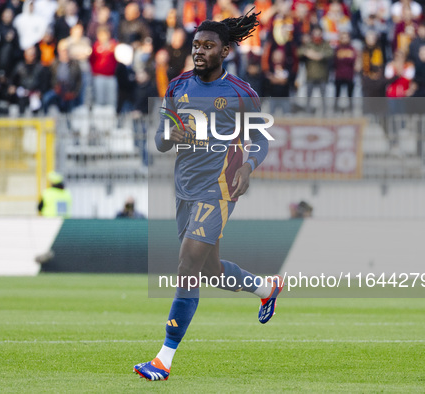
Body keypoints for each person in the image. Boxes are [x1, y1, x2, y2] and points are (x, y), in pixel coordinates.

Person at [133, 11, 283, 382]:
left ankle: (163, 360)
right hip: (184, 187)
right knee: (211, 272)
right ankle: (266, 288)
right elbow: (160, 138)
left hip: (220, 187)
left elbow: (261, 139)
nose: (199, 51)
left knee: (186, 267)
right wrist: (171, 136)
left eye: (208, 46)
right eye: (196, 45)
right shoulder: (178, 86)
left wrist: (248, 166)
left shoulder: (241, 93)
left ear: (225, 50)